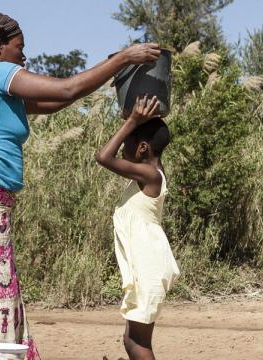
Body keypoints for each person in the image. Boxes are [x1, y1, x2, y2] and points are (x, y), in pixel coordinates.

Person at [0, 9, 162, 360]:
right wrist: (122, 59)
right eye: (18, 47)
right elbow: (67, 86)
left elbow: (61, 100)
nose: (24, 55)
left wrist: (112, 67)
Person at [95, 95, 180, 360]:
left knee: (136, 342)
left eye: (126, 142)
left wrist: (132, 120)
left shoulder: (150, 175)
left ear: (142, 148)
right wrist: (140, 118)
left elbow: (103, 157)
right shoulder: (151, 170)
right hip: (151, 264)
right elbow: (156, 134)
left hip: (151, 266)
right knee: (133, 339)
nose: (121, 148)